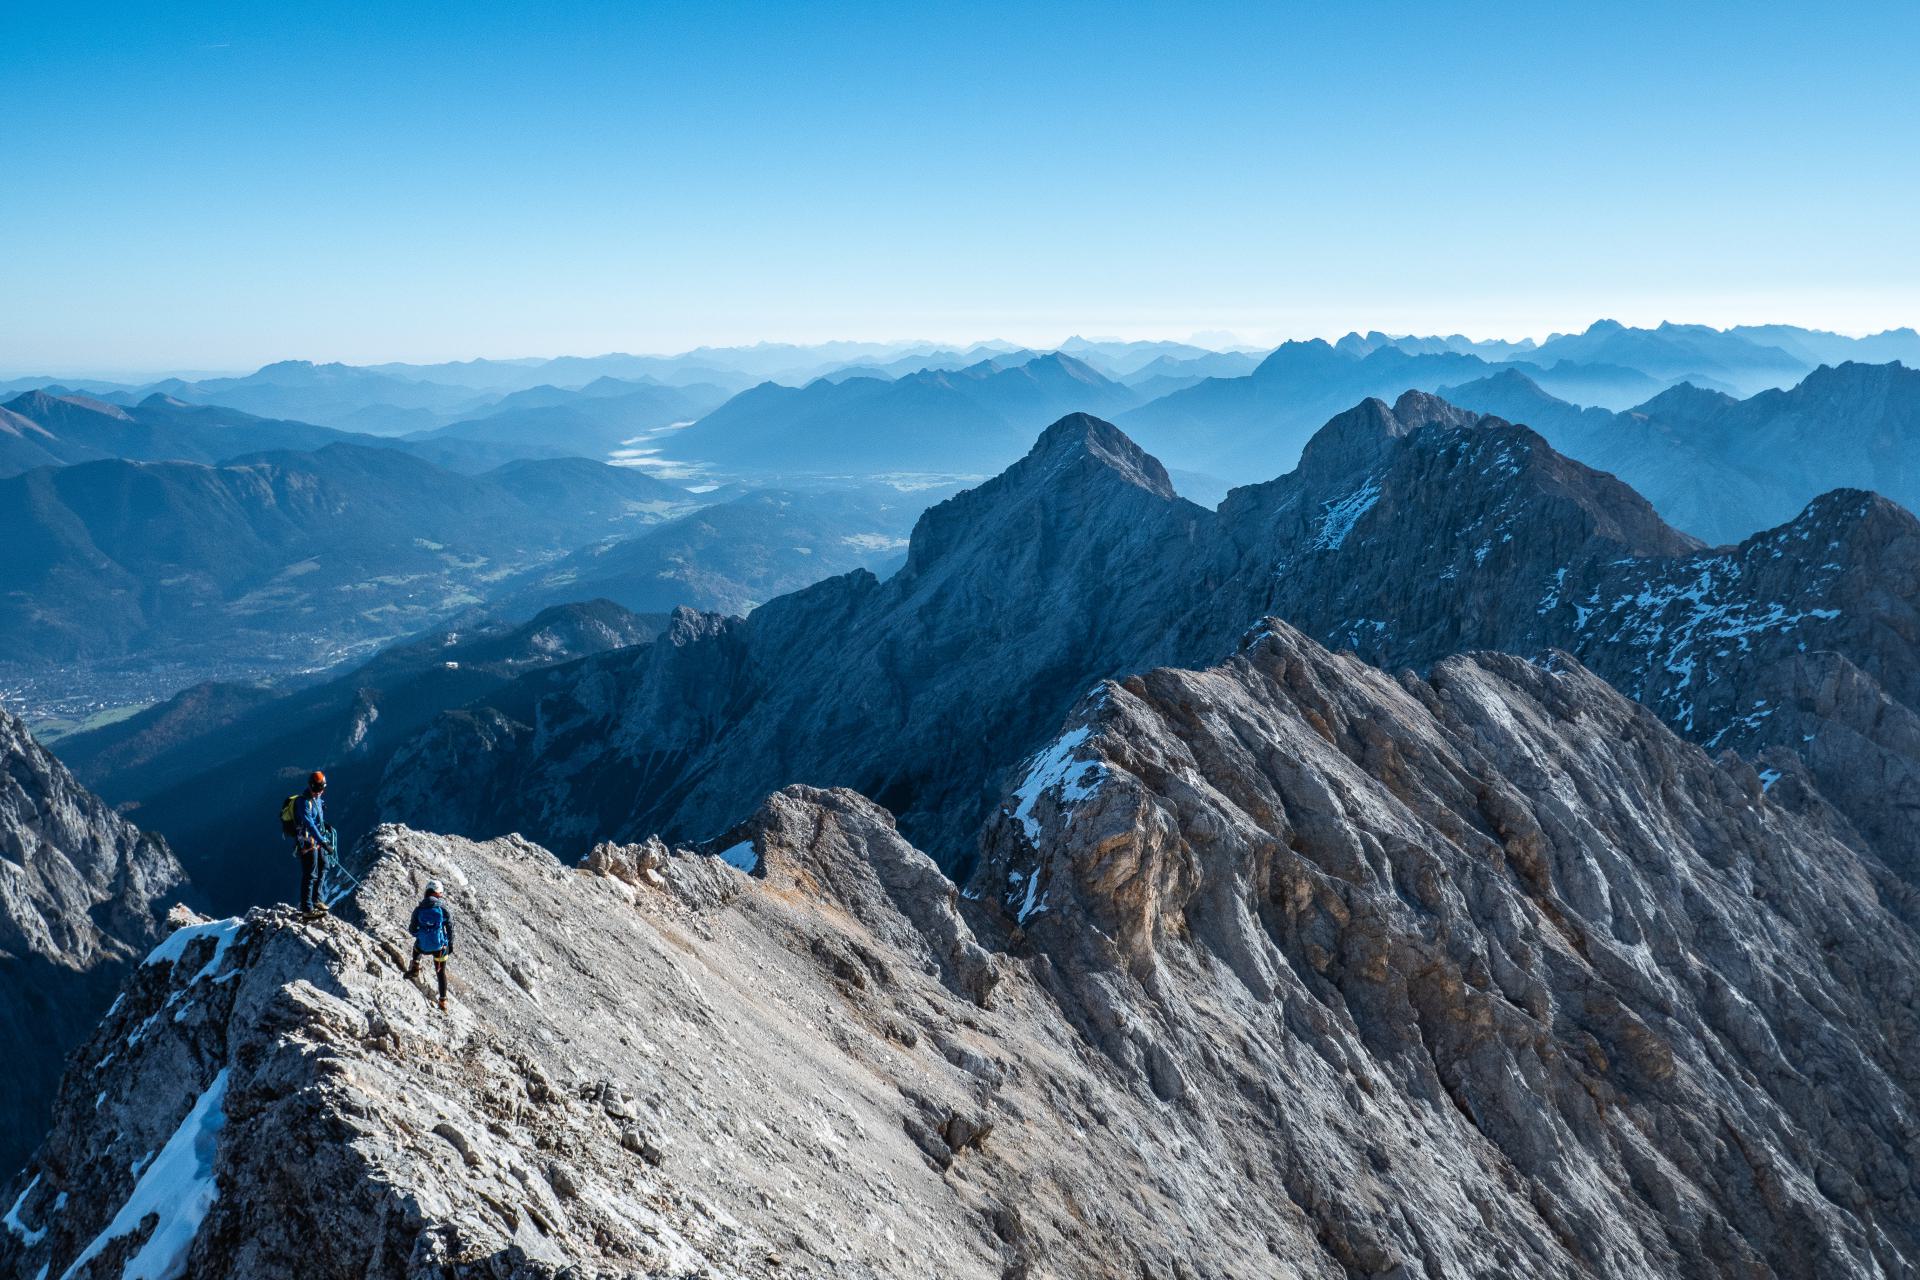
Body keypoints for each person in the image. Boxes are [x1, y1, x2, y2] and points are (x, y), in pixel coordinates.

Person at [406, 880, 456, 1011]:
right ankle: (443, 1002)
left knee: (416, 947)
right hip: (440, 949)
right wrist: (450, 944)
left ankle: (415, 967)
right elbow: (450, 927)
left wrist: (421, 934)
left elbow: (412, 929)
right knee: (441, 973)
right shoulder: (442, 908)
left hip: (423, 947)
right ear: (437, 893)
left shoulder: (419, 909)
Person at [292, 770, 332, 916]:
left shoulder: (317, 800)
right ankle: (307, 908)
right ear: (310, 786)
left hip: (317, 838)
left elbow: (316, 820)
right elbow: (309, 824)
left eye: (321, 789)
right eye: (317, 789)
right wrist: (324, 842)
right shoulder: (303, 802)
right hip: (307, 842)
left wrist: (324, 825)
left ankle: (317, 899)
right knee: (310, 873)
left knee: (324, 866)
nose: (319, 792)